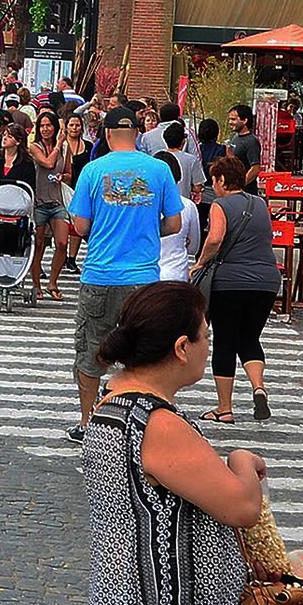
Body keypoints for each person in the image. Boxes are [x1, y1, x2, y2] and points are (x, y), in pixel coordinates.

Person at [83, 282, 261, 605]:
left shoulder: (113, 400)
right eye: (205, 337)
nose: (208, 348)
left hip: (125, 594)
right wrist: (242, 460)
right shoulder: (155, 423)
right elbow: (243, 507)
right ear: (182, 347)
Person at [66, 107, 183, 443]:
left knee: (91, 351)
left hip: (101, 274)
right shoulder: (159, 170)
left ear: (106, 135)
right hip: (144, 278)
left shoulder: (92, 170)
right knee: (144, 353)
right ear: (137, 134)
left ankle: (88, 422)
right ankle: (142, 424)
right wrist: (145, 229)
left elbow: (80, 225)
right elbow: (174, 224)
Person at [191, 154, 281, 424]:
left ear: (220, 180)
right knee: (250, 338)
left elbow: (216, 238)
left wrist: (200, 262)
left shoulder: (220, 205)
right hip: (266, 281)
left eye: (214, 180)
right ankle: (258, 387)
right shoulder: (260, 203)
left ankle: (224, 408)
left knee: (226, 341)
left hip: (231, 281)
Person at [28, 111, 71, 302]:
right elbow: (48, 163)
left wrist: (63, 177)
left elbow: (69, 172)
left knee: (62, 243)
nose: (45, 129)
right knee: (38, 245)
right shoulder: (34, 146)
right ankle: (36, 284)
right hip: (39, 202)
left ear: (54, 127)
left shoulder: (65, 148)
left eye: (49, 125)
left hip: (57, 201)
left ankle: (53, 282)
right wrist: (59, 144)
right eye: (42, 125)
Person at [153, 152, 201, 284]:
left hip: (147, 275)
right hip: (177, 275)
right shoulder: (188, 206)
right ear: (178, 177)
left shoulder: (142, 205)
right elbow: (194, 247)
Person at [63, 113, 91, 273]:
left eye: (77, 125)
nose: (74, 128)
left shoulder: (88, 146)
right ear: (66, 127)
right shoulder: (60, 144)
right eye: (71, 125)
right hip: (62, 188)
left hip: (80, 189)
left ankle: (71, 258)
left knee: (77, 224)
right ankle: (60, 254)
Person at [0, 122, 35, 187]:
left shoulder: (26, 162)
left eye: (9, 137)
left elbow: (29, 185)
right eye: (4, 135)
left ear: (18, 141)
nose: (4, 138)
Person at [226, 103, 263, 194]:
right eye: (230, 119)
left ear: (244, 120)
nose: (230, 122)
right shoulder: (235, 138)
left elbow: (255, 168)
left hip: (247, 193)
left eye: (233, 119)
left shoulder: (251, 141)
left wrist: (241, 185)